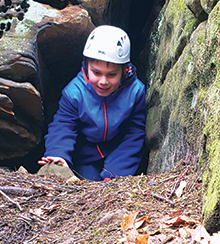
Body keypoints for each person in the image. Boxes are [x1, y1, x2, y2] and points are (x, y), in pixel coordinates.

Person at [38, 25, 146, 181]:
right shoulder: (74, 92)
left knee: (111, 189)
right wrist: (58, 155)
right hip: (86, 156)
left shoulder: (135, 92)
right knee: (88, 186)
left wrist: (115, 173)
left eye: (112, 74)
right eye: (96, 72)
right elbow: (63, 126)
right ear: (86, 65)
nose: (103, 81)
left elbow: (134, 134)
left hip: (119, 153)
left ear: (124, 70)